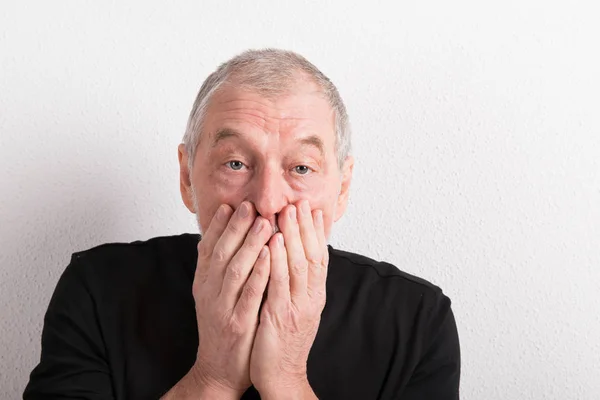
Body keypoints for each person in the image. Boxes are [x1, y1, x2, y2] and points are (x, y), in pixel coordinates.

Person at [24, 49, 460, 399]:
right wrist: (212, 377)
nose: (268, 201)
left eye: (301, 168)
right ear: (186, 177)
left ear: (341, 188)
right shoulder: (98, 291)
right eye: (236, 163)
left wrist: (287, 379)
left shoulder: (417, 321)